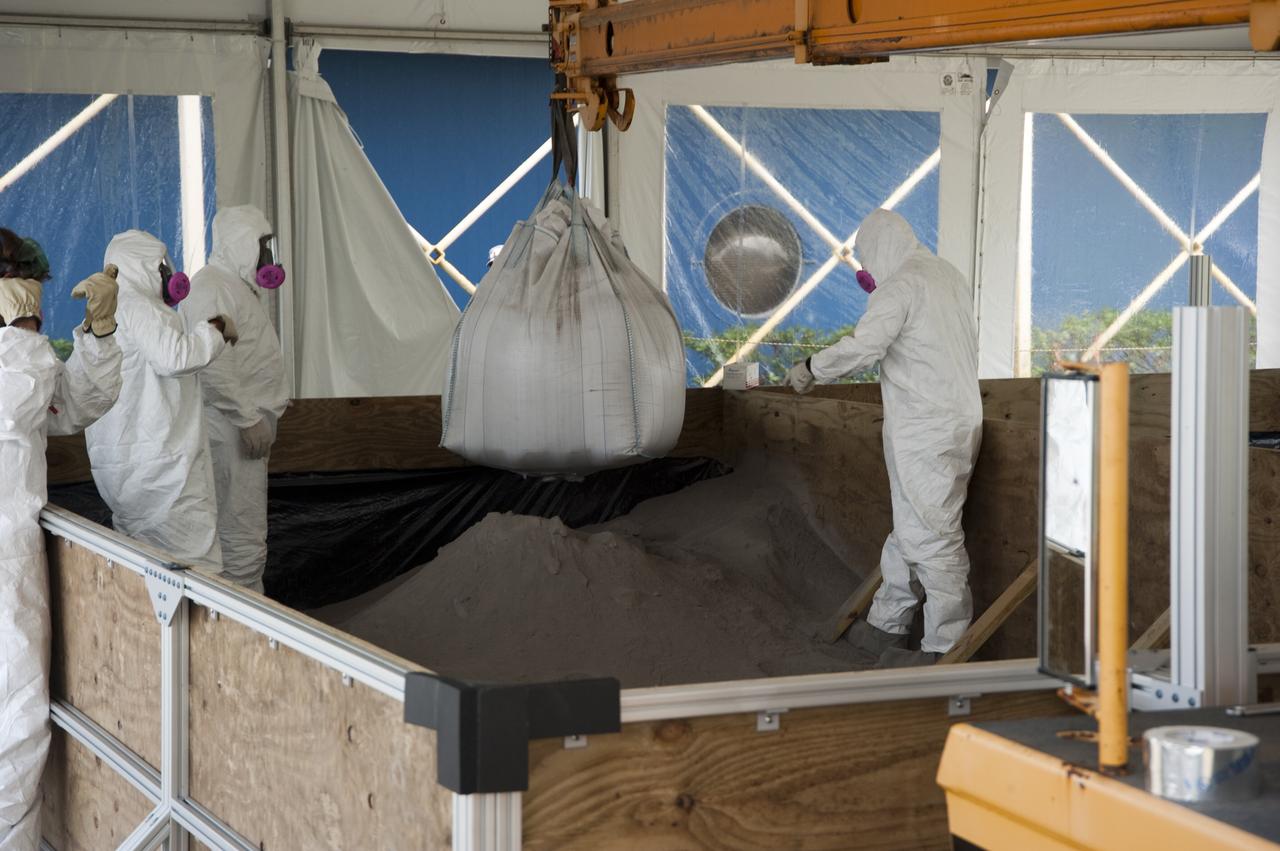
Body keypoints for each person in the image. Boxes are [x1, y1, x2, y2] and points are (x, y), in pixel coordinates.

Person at [786, 209, 982, 668]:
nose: (868, 271)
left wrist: (812, 368)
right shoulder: (946, 275)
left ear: (877, 249)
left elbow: (865, 347)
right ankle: (885, 624)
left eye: (867, 259)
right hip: (957, 417)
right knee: (913, 524)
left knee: (934, 535)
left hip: (924, 425)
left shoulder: (900, 286)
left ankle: (944, 648)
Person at [0, 229, 122, 851]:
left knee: (17, 731)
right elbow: (12, 407)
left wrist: (99, 338)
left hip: (10, 559)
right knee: (13, 734)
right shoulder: (15, 353)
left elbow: (68, 406)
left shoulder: (18, 352)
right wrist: (20, 334)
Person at [85, 230, 238, 572]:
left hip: (126, 471)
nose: (170, 275)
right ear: (145, 265)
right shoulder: (139, 306)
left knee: (143, 570)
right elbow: (175, 357)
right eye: (163, 266)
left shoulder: (104, 312)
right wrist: (215, 329)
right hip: (165, 473)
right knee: (195, 575)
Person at [179, 206, 289, 593]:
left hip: (240, 427)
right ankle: (247, 630)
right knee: (240, 532)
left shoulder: (232, 286)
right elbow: (212, 364)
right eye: (260, 246)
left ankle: (244, 621)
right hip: (230, 430)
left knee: (241, 529)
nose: (266, 256)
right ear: (240, 244)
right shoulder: (212, 287)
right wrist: (247, 418)